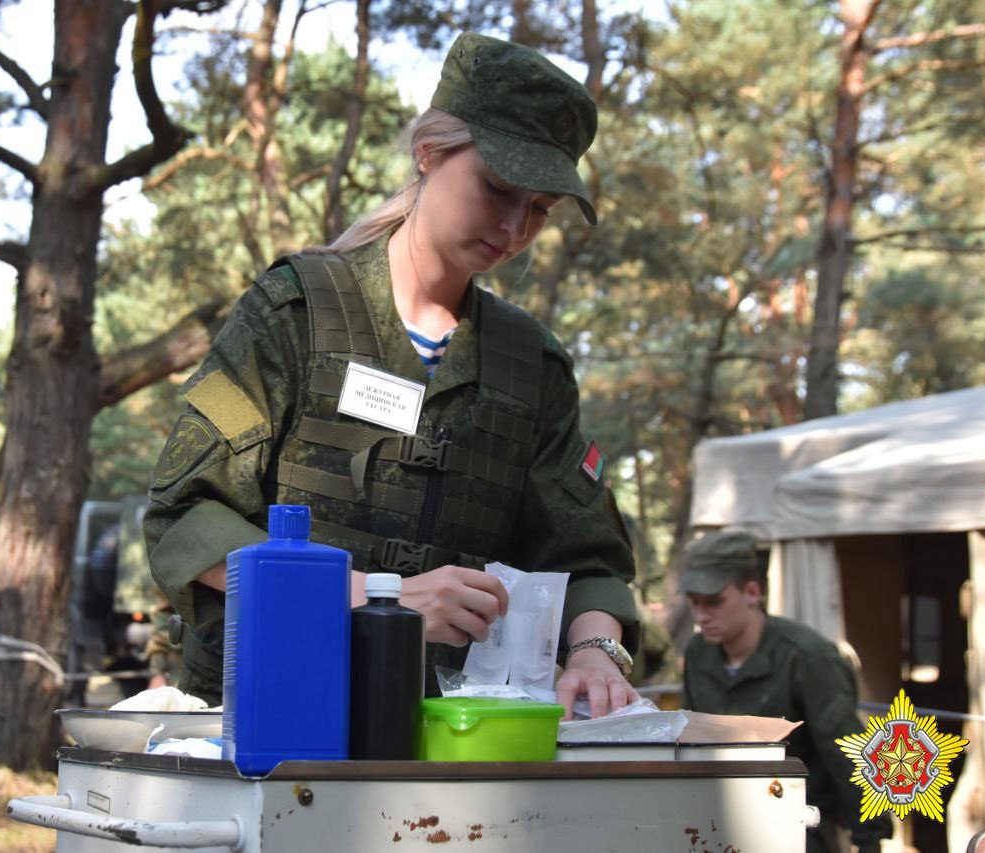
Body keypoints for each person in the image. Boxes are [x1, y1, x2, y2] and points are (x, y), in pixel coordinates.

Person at [144, 32, 640, 719]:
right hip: (262, 716)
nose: (513, 227)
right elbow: (186, 518)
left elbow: (587, 559)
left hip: (441, 736)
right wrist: (381, 598)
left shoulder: (534, 368)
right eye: (498, 188)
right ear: (429, 152)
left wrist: (594, 652)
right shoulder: (294, 313)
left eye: (539, 209)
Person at [679, 530, 893, 853]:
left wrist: (869, 840)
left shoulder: (808, 657)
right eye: (694, 603)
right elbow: (689, 741)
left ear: (752, 592)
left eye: (714, 602)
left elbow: (846, 753)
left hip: (800, 820)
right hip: (715, 820)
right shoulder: (699, 653)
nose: (701, 616)